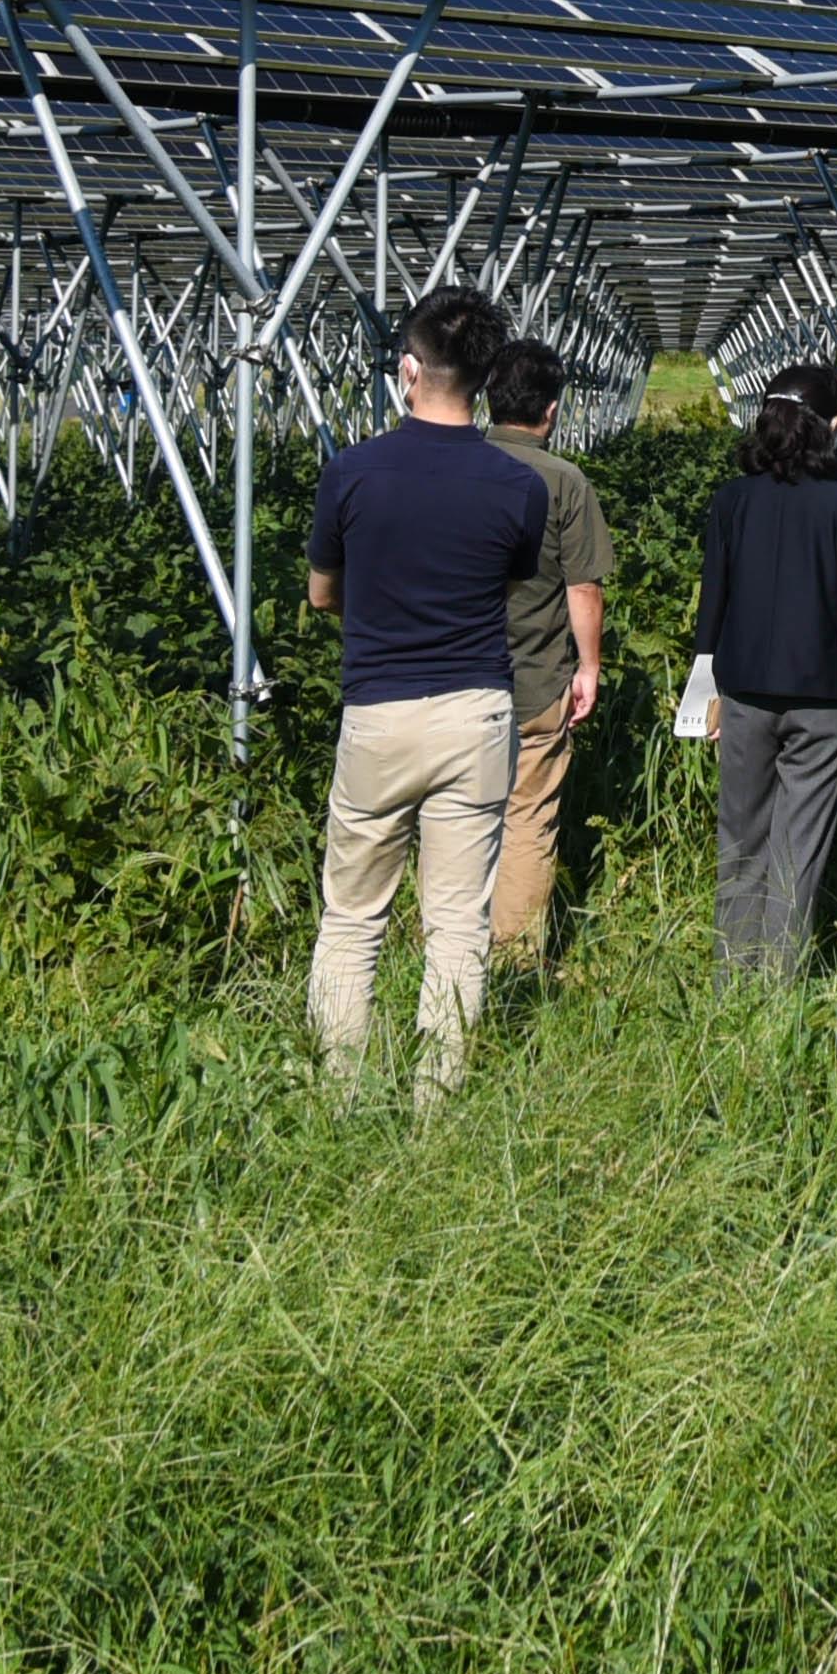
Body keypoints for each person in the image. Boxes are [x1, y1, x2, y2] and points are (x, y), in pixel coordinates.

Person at [300, 286, 554, 1099]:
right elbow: (509, 582)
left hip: (378, 710)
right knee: (457, 923)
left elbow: (320, 594)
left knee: (352, 915)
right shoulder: (518, 486)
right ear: (482, 381)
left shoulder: (353, 472)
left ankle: (340, 1090)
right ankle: (435, 1099)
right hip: (475, 714)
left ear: (409, 370)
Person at [690, 364, 837, 977]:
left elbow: (712, 606)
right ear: (832, 428)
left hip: (744, 691)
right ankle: (779, 987)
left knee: (740, 839)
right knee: (797, 851)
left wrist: (705, 697)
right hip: (823, 698)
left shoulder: (732, 500)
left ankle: (732, 976)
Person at [476, 338, 619, 970]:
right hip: (534, 680)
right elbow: (582, 586)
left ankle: (448, 951)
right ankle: (512, 959)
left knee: (455, 816)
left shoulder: (451, 468)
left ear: (487, 397)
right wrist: (588, 667)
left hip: (453, 680)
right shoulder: (565, 481)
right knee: (527, 821)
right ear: (553, 411)